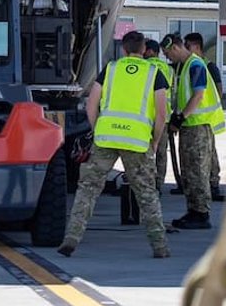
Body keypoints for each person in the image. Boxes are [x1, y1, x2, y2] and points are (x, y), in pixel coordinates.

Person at [59, 31, 171, 258]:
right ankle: (159, 245)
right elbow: (161, 113)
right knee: (146, 193)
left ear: (123, 49)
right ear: (143, 50)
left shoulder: (110, 69)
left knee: (88, 189)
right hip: (138, 141)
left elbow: (92, 104)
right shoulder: (154, 73)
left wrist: (97, 129)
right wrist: (156, 140)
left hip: (106, 138)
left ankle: (71, 238)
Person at [161, 33, 224, 230]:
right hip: (190, 126)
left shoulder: (195, 65)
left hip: (198, 126)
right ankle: (193, 210)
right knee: (188, 171)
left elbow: (198, 94)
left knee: (197, 170)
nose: (167, 58)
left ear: (176, 48)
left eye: (167, 53)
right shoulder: (182, 68)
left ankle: (201, 213)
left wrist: (181, 117)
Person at [183, 32, 226, 202]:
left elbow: (218, 91)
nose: (186, 49)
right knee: (205, 155)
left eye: (188, 46)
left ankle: (213, 184)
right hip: (198, 118)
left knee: (209, 155)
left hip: (206, 118)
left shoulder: (207, 66)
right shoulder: (189, 64)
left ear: (197, 47)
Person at [144, 37, 176, 194]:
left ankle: (146, 181)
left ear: (150, 51)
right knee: (161, 153)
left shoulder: (145, 66)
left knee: (145, 151)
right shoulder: (169, 69)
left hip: (145, 117)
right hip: (165, 117)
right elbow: (174, 94)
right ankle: (158, 183)